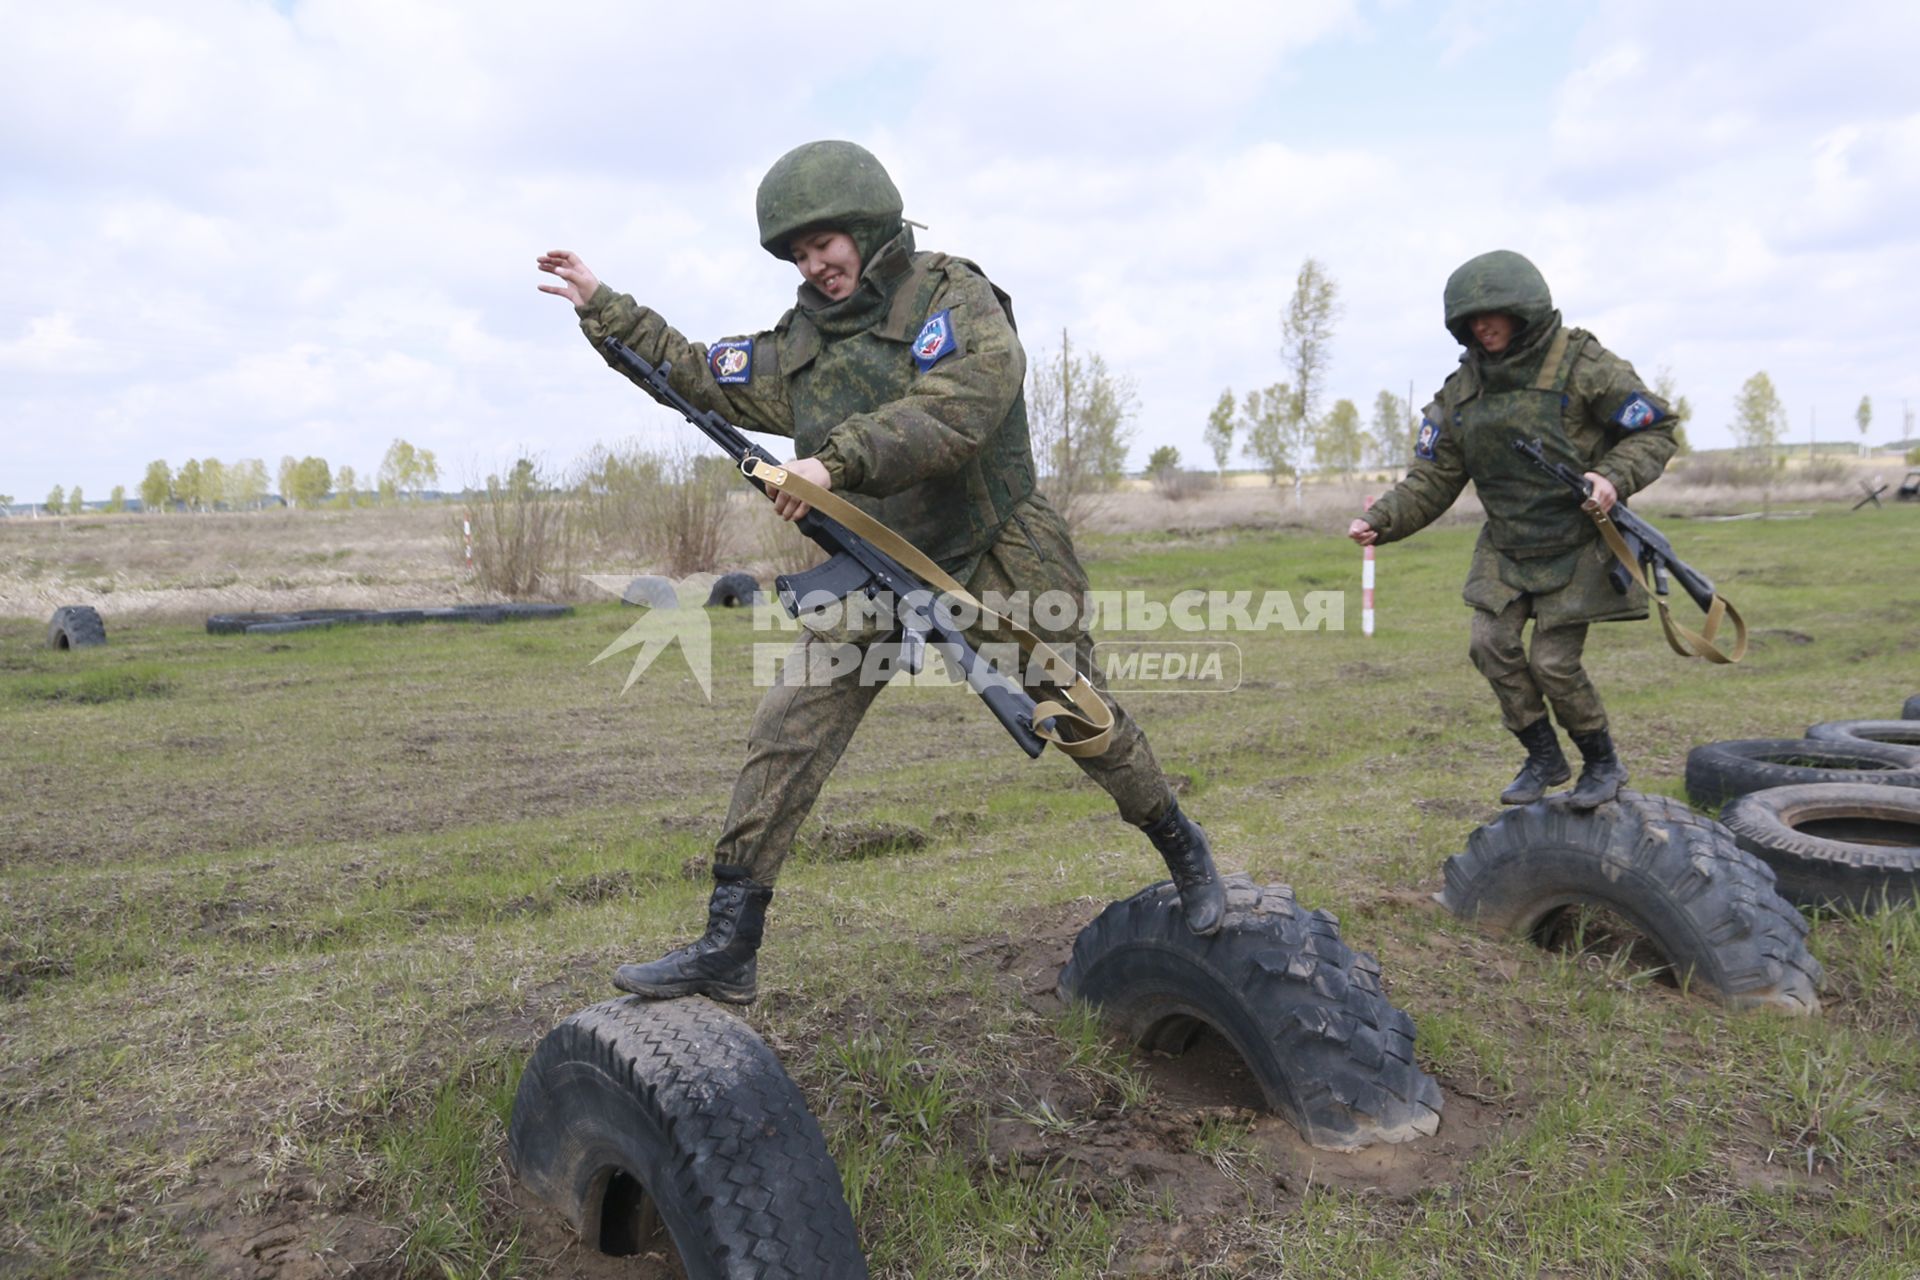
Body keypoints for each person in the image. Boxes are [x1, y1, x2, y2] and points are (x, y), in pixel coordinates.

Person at [538, 140, 1223, 1004]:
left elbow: (966, 405)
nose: (813, 265)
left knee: (1077, 714)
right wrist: (607, 308)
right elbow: (699, 377)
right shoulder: (801, 344)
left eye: (824, 243)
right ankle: (729, 941)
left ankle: (1178, 844)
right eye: (795, 254)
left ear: (866, 223)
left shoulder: (951, 296)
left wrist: (833, 464)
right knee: (789, 728)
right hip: (877, 562)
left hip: (994, 545)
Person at [1347, 249, 1677, 810]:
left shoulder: (1581, 364)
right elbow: (1433, 477)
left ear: (1525, 311)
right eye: (1472, 319)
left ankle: (1601, 762)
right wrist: (1380, 520)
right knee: (1489, 644)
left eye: (1493, 313)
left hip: (1578, 540)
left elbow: (1656, 429)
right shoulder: (1461, 393)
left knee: (1552, 663)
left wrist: (1613, 477)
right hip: (1507, 543)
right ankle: (1543, 754)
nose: (1482, 326)